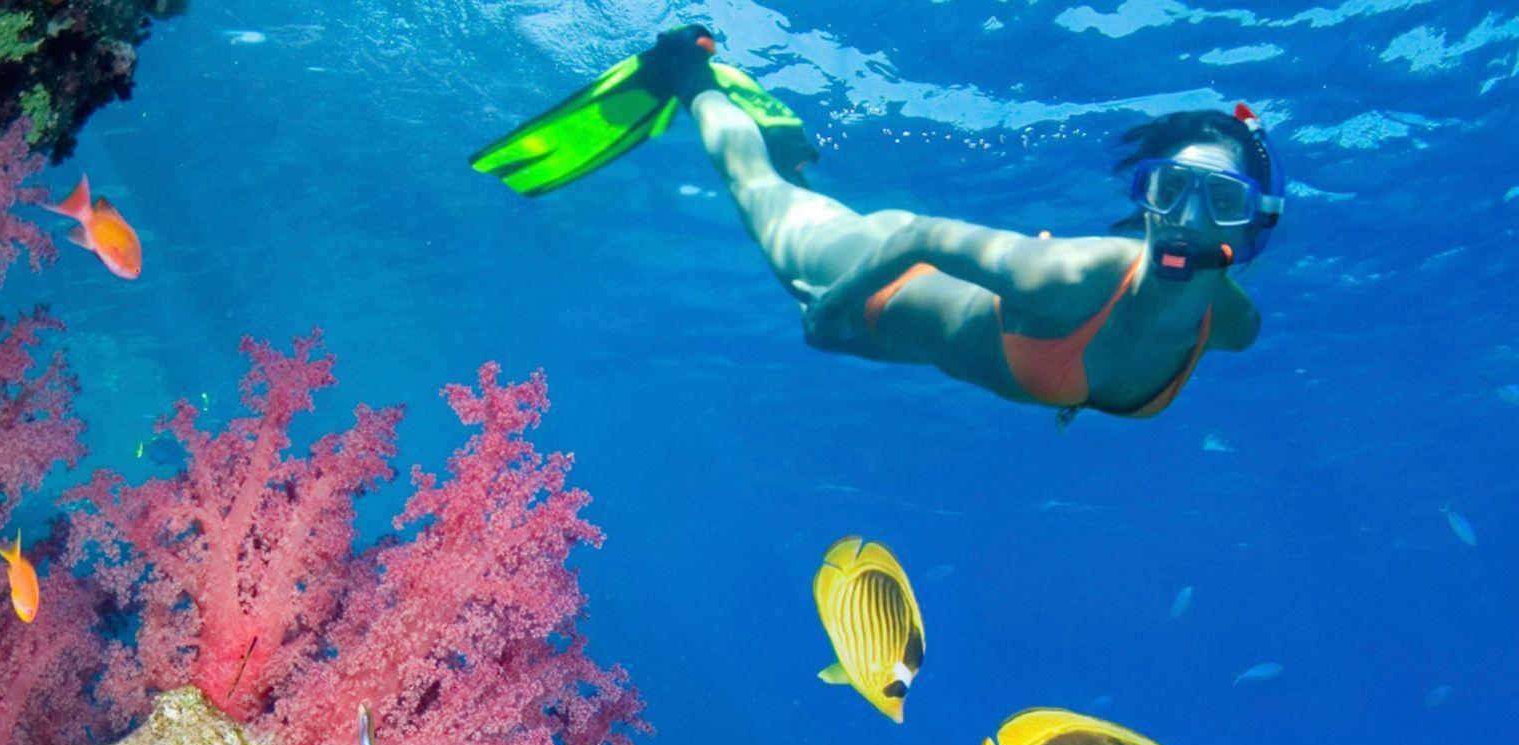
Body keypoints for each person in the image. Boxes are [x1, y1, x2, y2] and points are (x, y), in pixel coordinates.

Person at [472, 26, 1286, 427]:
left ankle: (787, 157)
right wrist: (829, 310)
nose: (1184, 222)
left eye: (1220, 202)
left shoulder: (1233, 327)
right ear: (1143, 198)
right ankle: (691, 72)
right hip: (876, 271)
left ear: (1255, 230)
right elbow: (923, 236)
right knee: (756, 192)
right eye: (1169, 189)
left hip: (924, 330)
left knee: (785, 187)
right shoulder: (1069, 278)